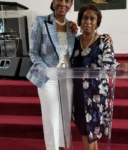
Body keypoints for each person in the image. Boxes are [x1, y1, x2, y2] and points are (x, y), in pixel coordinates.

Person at [26, 1, 113, 150]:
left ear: (71, 4)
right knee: (52, 119)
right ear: (53, 1)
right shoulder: (41, 22)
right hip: (49, 78)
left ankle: (65, 147)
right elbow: (33, 53)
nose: (63, 3)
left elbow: (87, 38)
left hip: (68, 78)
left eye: (67, 0)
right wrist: (46, 69)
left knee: (65, 120)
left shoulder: (71, 27)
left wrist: (104, 36)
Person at [70, 4, 128, 150]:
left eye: (92, 18)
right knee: (88, 133)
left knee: (89, 132)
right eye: (85, 17)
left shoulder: (104, 42)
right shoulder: (74, 42)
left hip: (95, 96)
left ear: (97, 23)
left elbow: (109, 64)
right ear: (79, 20)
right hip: (77, 94)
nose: (88, 21)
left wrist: (123, 66)